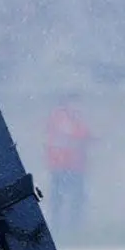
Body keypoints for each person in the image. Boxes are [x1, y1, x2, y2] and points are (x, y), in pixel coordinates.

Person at [44, 95, 93, 231]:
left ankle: (73, 227)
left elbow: (83, 135)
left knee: (75, 199)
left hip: (74, 166)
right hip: (62, 166)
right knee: (60, 199)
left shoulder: (74, 117)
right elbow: (77, 134)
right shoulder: (61, 118)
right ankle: (60, 228)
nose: (78, 106)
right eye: (75, 103)